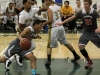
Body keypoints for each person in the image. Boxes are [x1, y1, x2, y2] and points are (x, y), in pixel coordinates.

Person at [55, 0, 100, 69]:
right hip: (85, 32)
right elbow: (71, 18)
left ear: (90, 5)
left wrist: (99, 28)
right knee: (80, 46)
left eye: (86, 4)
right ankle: (89, 61)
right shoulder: (81, 12)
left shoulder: (94, 12)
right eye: (84, 4)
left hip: (94, 32)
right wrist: (61, 23)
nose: (85, 6)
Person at [5, 0, 47, 71]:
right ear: (24, 4)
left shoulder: (32, 10)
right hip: (22, 32)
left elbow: (42, 9)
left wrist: (47, 6)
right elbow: (21, 28)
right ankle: (15, 56)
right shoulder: (22, 15)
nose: (30, 5)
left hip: (28, 32)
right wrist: (30, 32)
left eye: (31, 3)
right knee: (25, 47)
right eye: (29, 3)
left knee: (32, 46)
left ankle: (12, 58)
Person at [43, 0, 80, 67]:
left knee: (49, 45)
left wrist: (42, 24)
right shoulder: (57, 6)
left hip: (54, 27)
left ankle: (48, 60)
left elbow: (50, 20)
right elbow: (61, 16)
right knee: (65, 42)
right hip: (60, 27)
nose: (45, 2)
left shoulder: (49, 9)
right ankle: (76, 55)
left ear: (50, 1)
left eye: (46, 1)